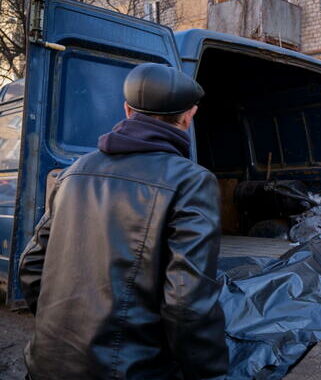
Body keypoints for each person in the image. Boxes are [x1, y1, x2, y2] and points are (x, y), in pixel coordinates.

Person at [19, 63, 228, 379]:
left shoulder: (72, 173)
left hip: (46, 364)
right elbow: (187, 302)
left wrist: (59, 337)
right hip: (130, 371)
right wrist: (209, 373)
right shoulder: (192, 182)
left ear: (127, 110)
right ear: (189, 116)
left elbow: (32, 265)